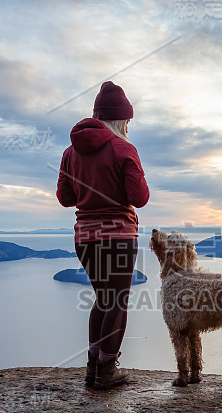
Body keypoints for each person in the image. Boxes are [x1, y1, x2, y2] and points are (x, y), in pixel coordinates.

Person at [56, 81, 149, 389]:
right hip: (119, 236)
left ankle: (93, 367)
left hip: (85, 238)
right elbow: (140, 196)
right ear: (121, 119)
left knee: (103, 299)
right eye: (127, 121)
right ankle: (105, 373)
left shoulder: (71, 152)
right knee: (117, 301)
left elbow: (66, 198)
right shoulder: (124, 148)